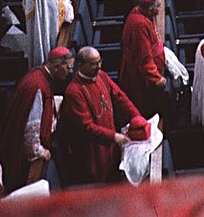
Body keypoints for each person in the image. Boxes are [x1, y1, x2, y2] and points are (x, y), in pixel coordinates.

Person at [58, 46, 142, 185]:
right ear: (80, 65)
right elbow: (86, 127)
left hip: (111, 143)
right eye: (93, 64)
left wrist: (137, 118)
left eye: (99, 62)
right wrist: (114, 137)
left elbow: (120, 97)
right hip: (93, 152)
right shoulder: (74, 92)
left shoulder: (101, 76)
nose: (98, 67)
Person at [0, 47, 73, 191]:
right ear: (57, 67)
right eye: (69, 68)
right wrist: (39, 151)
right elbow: (31, 128)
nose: (71, 71)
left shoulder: (40, 75)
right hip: (22, 161)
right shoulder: (37, 85)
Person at [119, 0, 167, 118]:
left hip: (151, 68)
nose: (159, 10)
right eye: (158, 7)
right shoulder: (139, 25)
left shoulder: (143, 14)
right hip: (140, 77)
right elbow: (143, 58)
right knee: (144, 108)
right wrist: (157, 78)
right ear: (150, 9)